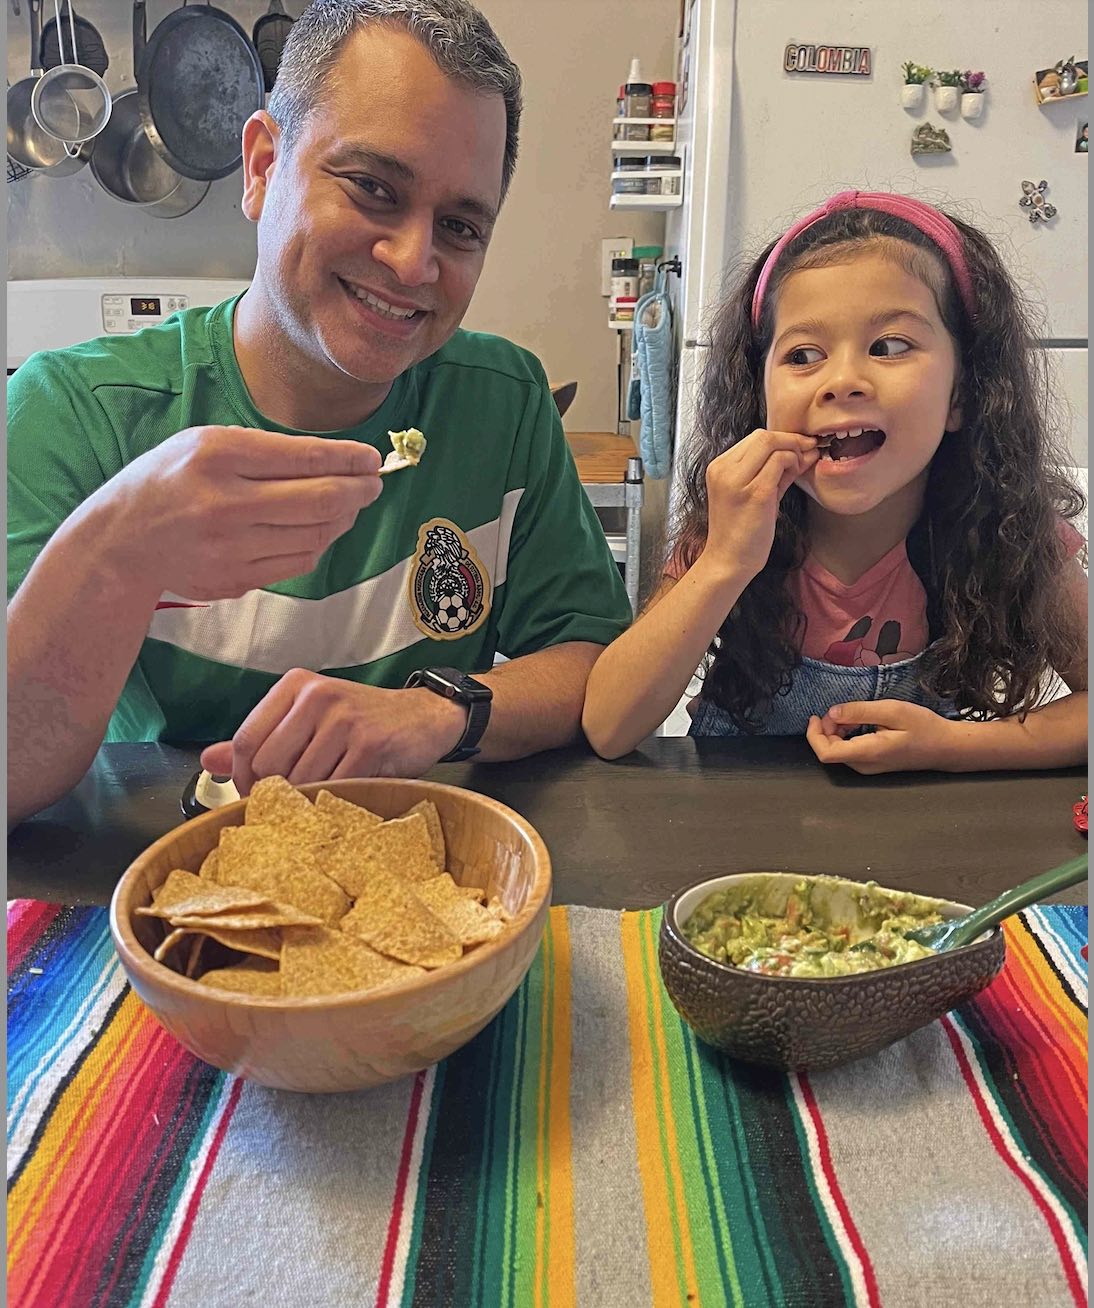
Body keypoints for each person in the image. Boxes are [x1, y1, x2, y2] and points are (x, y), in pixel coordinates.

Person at [7, 0, 630, 825]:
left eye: (459, 226)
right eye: (373, 189)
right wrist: (118, 544)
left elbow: (589, 661)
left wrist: (436, 710)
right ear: (263, 166)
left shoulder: (504, 402)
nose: (414, 263)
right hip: (150, 895)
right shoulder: (70, 415)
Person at [583, 190, 1087, 773]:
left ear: (963, 394)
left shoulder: (1011, 532)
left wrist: (951, 747)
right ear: (760, 395)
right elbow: (608, 726)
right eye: (802, 356)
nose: (841, 380)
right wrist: (724, 562)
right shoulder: (732, 528)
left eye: (889, 346)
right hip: (740, 840)